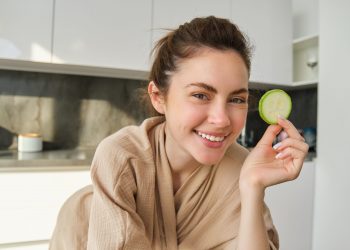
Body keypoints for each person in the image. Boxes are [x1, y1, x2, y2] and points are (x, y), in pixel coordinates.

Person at [50, 16, 309, 250]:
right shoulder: (122, 157)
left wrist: (253, 188)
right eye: (200, 95)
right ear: (159, 97)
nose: (221, 120)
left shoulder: (241, 168)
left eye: (237, 99)